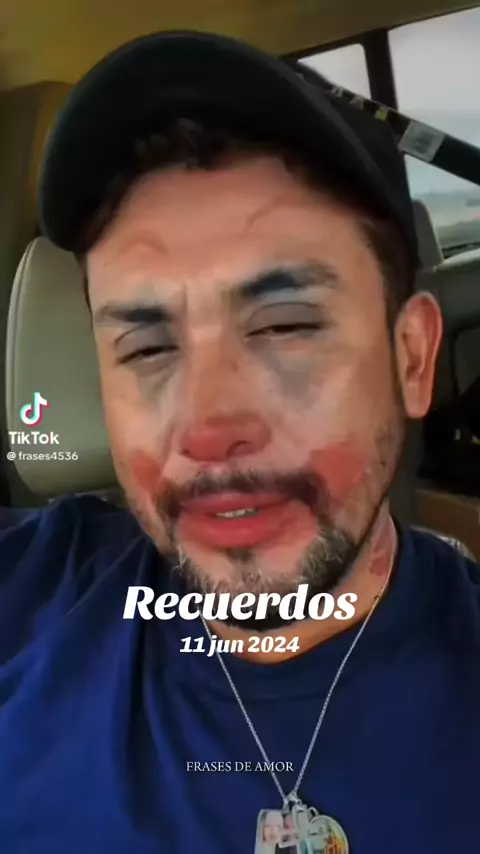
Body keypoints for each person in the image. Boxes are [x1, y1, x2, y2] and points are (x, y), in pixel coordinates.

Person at [0, 28, 479, 854]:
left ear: (412, 358)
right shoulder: (27, 596)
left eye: (285, 326)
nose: (209, 431)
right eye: (147, 348)